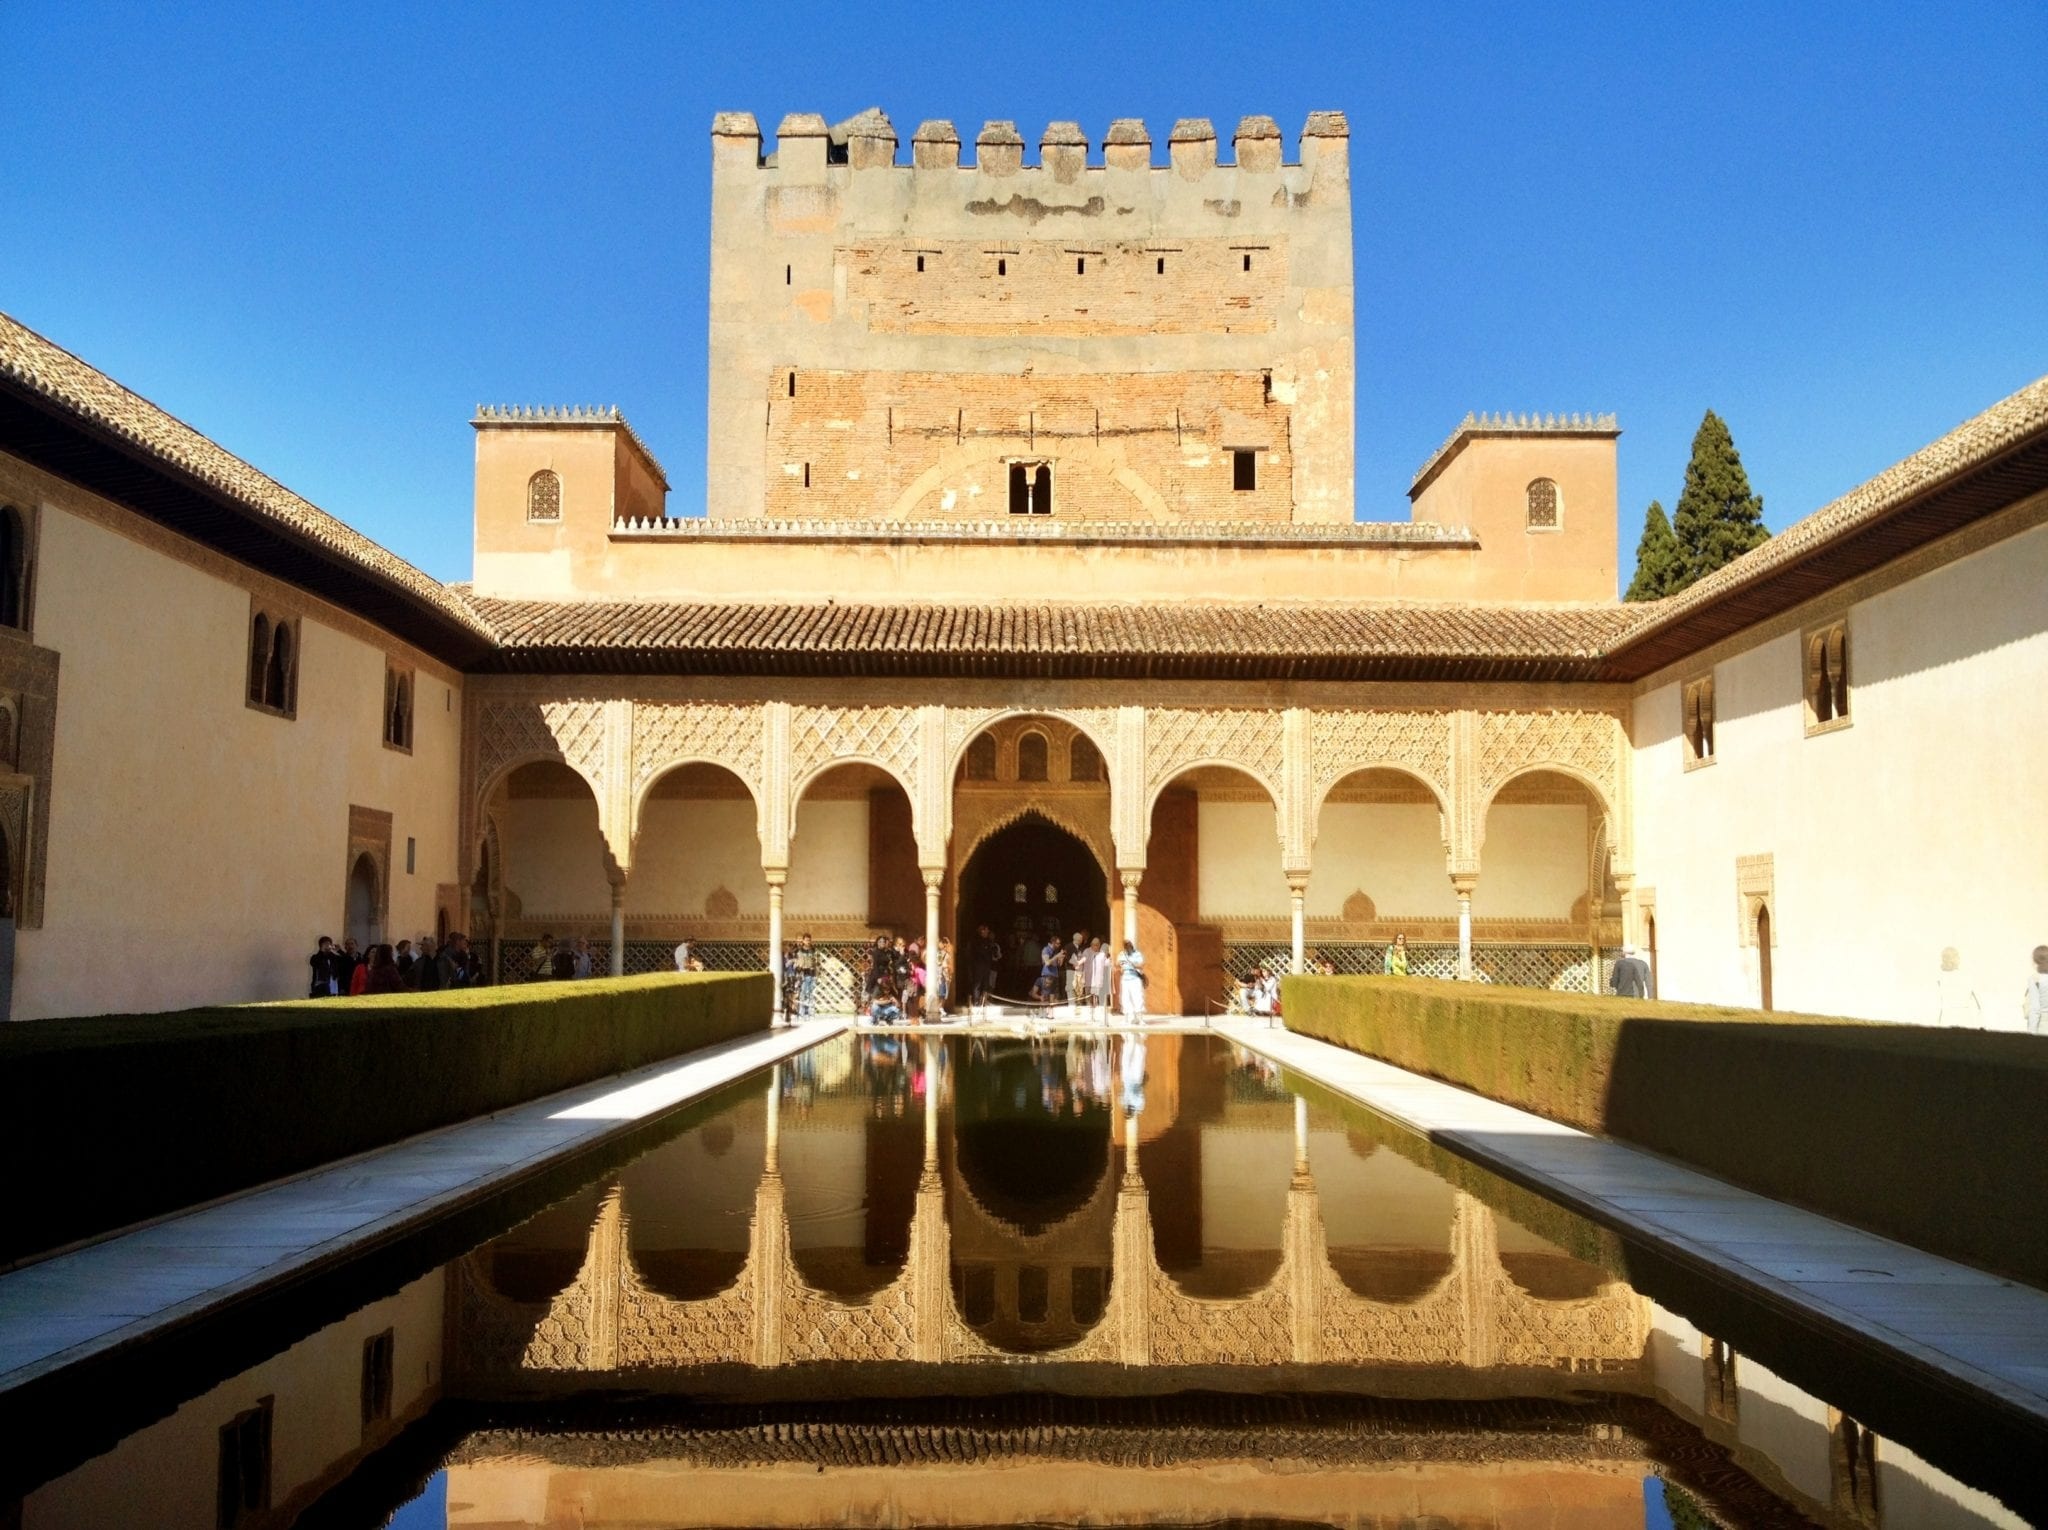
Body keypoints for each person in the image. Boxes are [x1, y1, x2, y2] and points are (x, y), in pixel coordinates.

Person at [972, 924, 1002, 1008]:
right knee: (977, 984)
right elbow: (978, 953)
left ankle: (984, 1001)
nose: (988, 932)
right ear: (982, 931)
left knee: (986, 984)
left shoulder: (988, 941)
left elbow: (994, 954)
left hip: (987, 966)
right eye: (986, 930)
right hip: (979, 965)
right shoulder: (977, 941)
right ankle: (976, 1002)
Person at [1084, 937, 1112, 1022]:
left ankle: (1093, 1017)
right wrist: (1110, 959)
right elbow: (1107, 964)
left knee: (1094, 999)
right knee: (1097, 999)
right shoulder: (1102, 956)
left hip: (1095, 981)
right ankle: (1097, 1017)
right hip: (1099, 981)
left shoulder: (1097, 956)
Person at [1118, 939, 1146, 1023]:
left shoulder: (1137, 954)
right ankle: (1126, 1019)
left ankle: (1140, 1019)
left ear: (1131, 945)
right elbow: (1118, 964)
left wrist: (1133, 964)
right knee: (1125, 999)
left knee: (1138, 998)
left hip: (1135, 978)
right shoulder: (1122, 954)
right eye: (1125, 946)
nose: (1127, 947)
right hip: (1125, 979)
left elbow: (1141, 965)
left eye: (1128, 945)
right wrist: (1121, 966)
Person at [2022, 945, 2048, 1035]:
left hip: (2042, 1032)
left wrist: (2031, 1036)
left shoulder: (2035, 980)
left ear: (2035, 962)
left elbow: (2033, 1010)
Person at [792, 933, 818, 1018]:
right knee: (803, 992)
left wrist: (816, 973)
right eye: (806, 940)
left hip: (811, 974)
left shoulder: (813, 950)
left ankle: (810, 1011)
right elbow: (797, 963)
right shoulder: (799, 951)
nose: (808, 942)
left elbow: (816, 962)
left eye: (809, 940)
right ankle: (802, 1012)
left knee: (811, 993)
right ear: (803, 941)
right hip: (803, 974)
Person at [1039, 934, 1067, 1006]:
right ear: (1053, 943)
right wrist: (1057, 956)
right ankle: (1043, 1013)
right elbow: (1047, 962)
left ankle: (1051, 1013)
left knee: (1054, 996)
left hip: (1055, 975)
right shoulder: (1046, 949)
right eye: (1057, 943)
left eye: (1060, 943)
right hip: (1047, 975)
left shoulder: (1055, 951)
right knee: (1046, 995)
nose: (1059, 945)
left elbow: (1059, 965)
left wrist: (1061, 958)